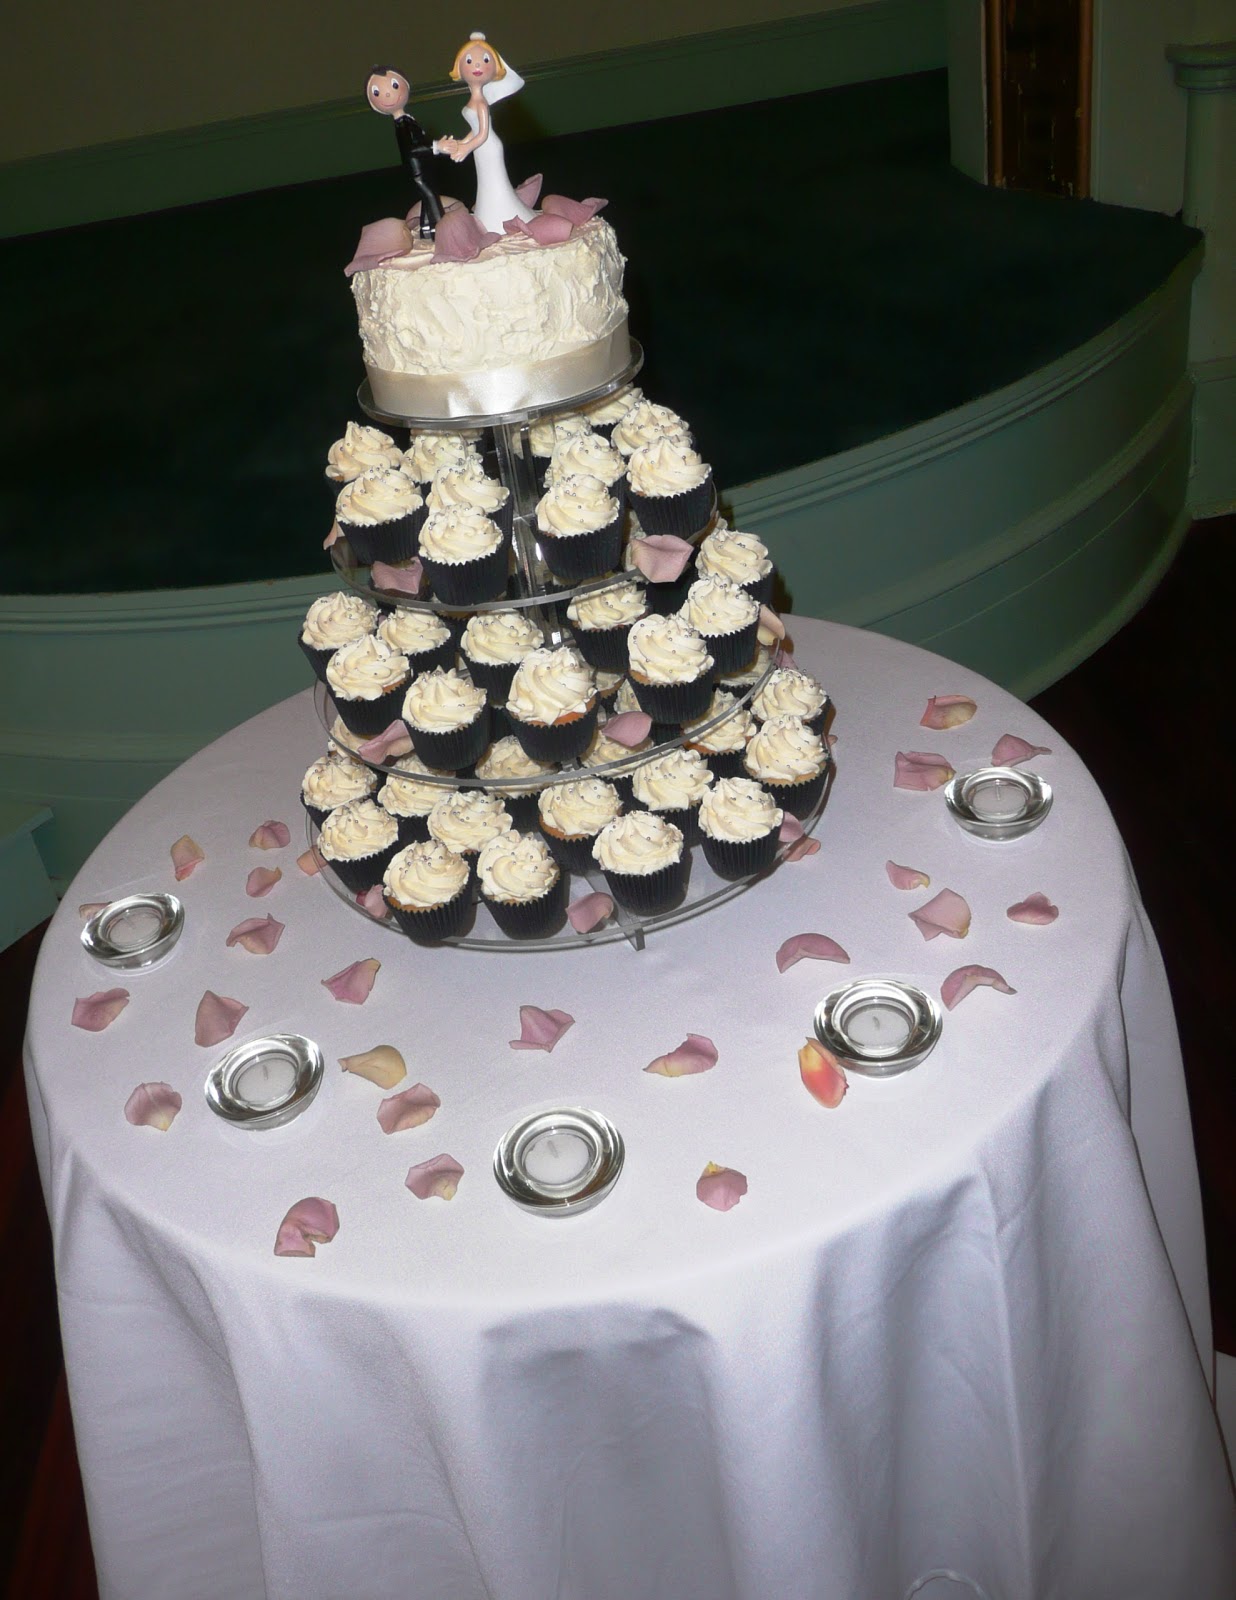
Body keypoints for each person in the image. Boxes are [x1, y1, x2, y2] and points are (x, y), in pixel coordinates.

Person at [436, 33, 537, 234]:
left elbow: (482, 134)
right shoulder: (476, 99)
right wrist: (459, 142)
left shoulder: (481, 103)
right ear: (459, 67)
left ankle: (502, 217)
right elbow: (474, 131)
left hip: (488, 146)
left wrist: (465, 147)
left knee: (493, 180)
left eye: (485, 60)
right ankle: (488, 216)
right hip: (480, 147)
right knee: (486, 181)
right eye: (470, 61)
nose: (477, 66)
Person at [364, 66, 444, 240]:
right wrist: (436, 147)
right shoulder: (401, 126)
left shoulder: (407, 121)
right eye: (377, 93)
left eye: (394, 86)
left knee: (427, 197)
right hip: (417, 171)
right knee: (431, 197)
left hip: (423, 168)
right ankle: (442, 230)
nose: (387, 95)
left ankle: (426, 231)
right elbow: (411, 150)